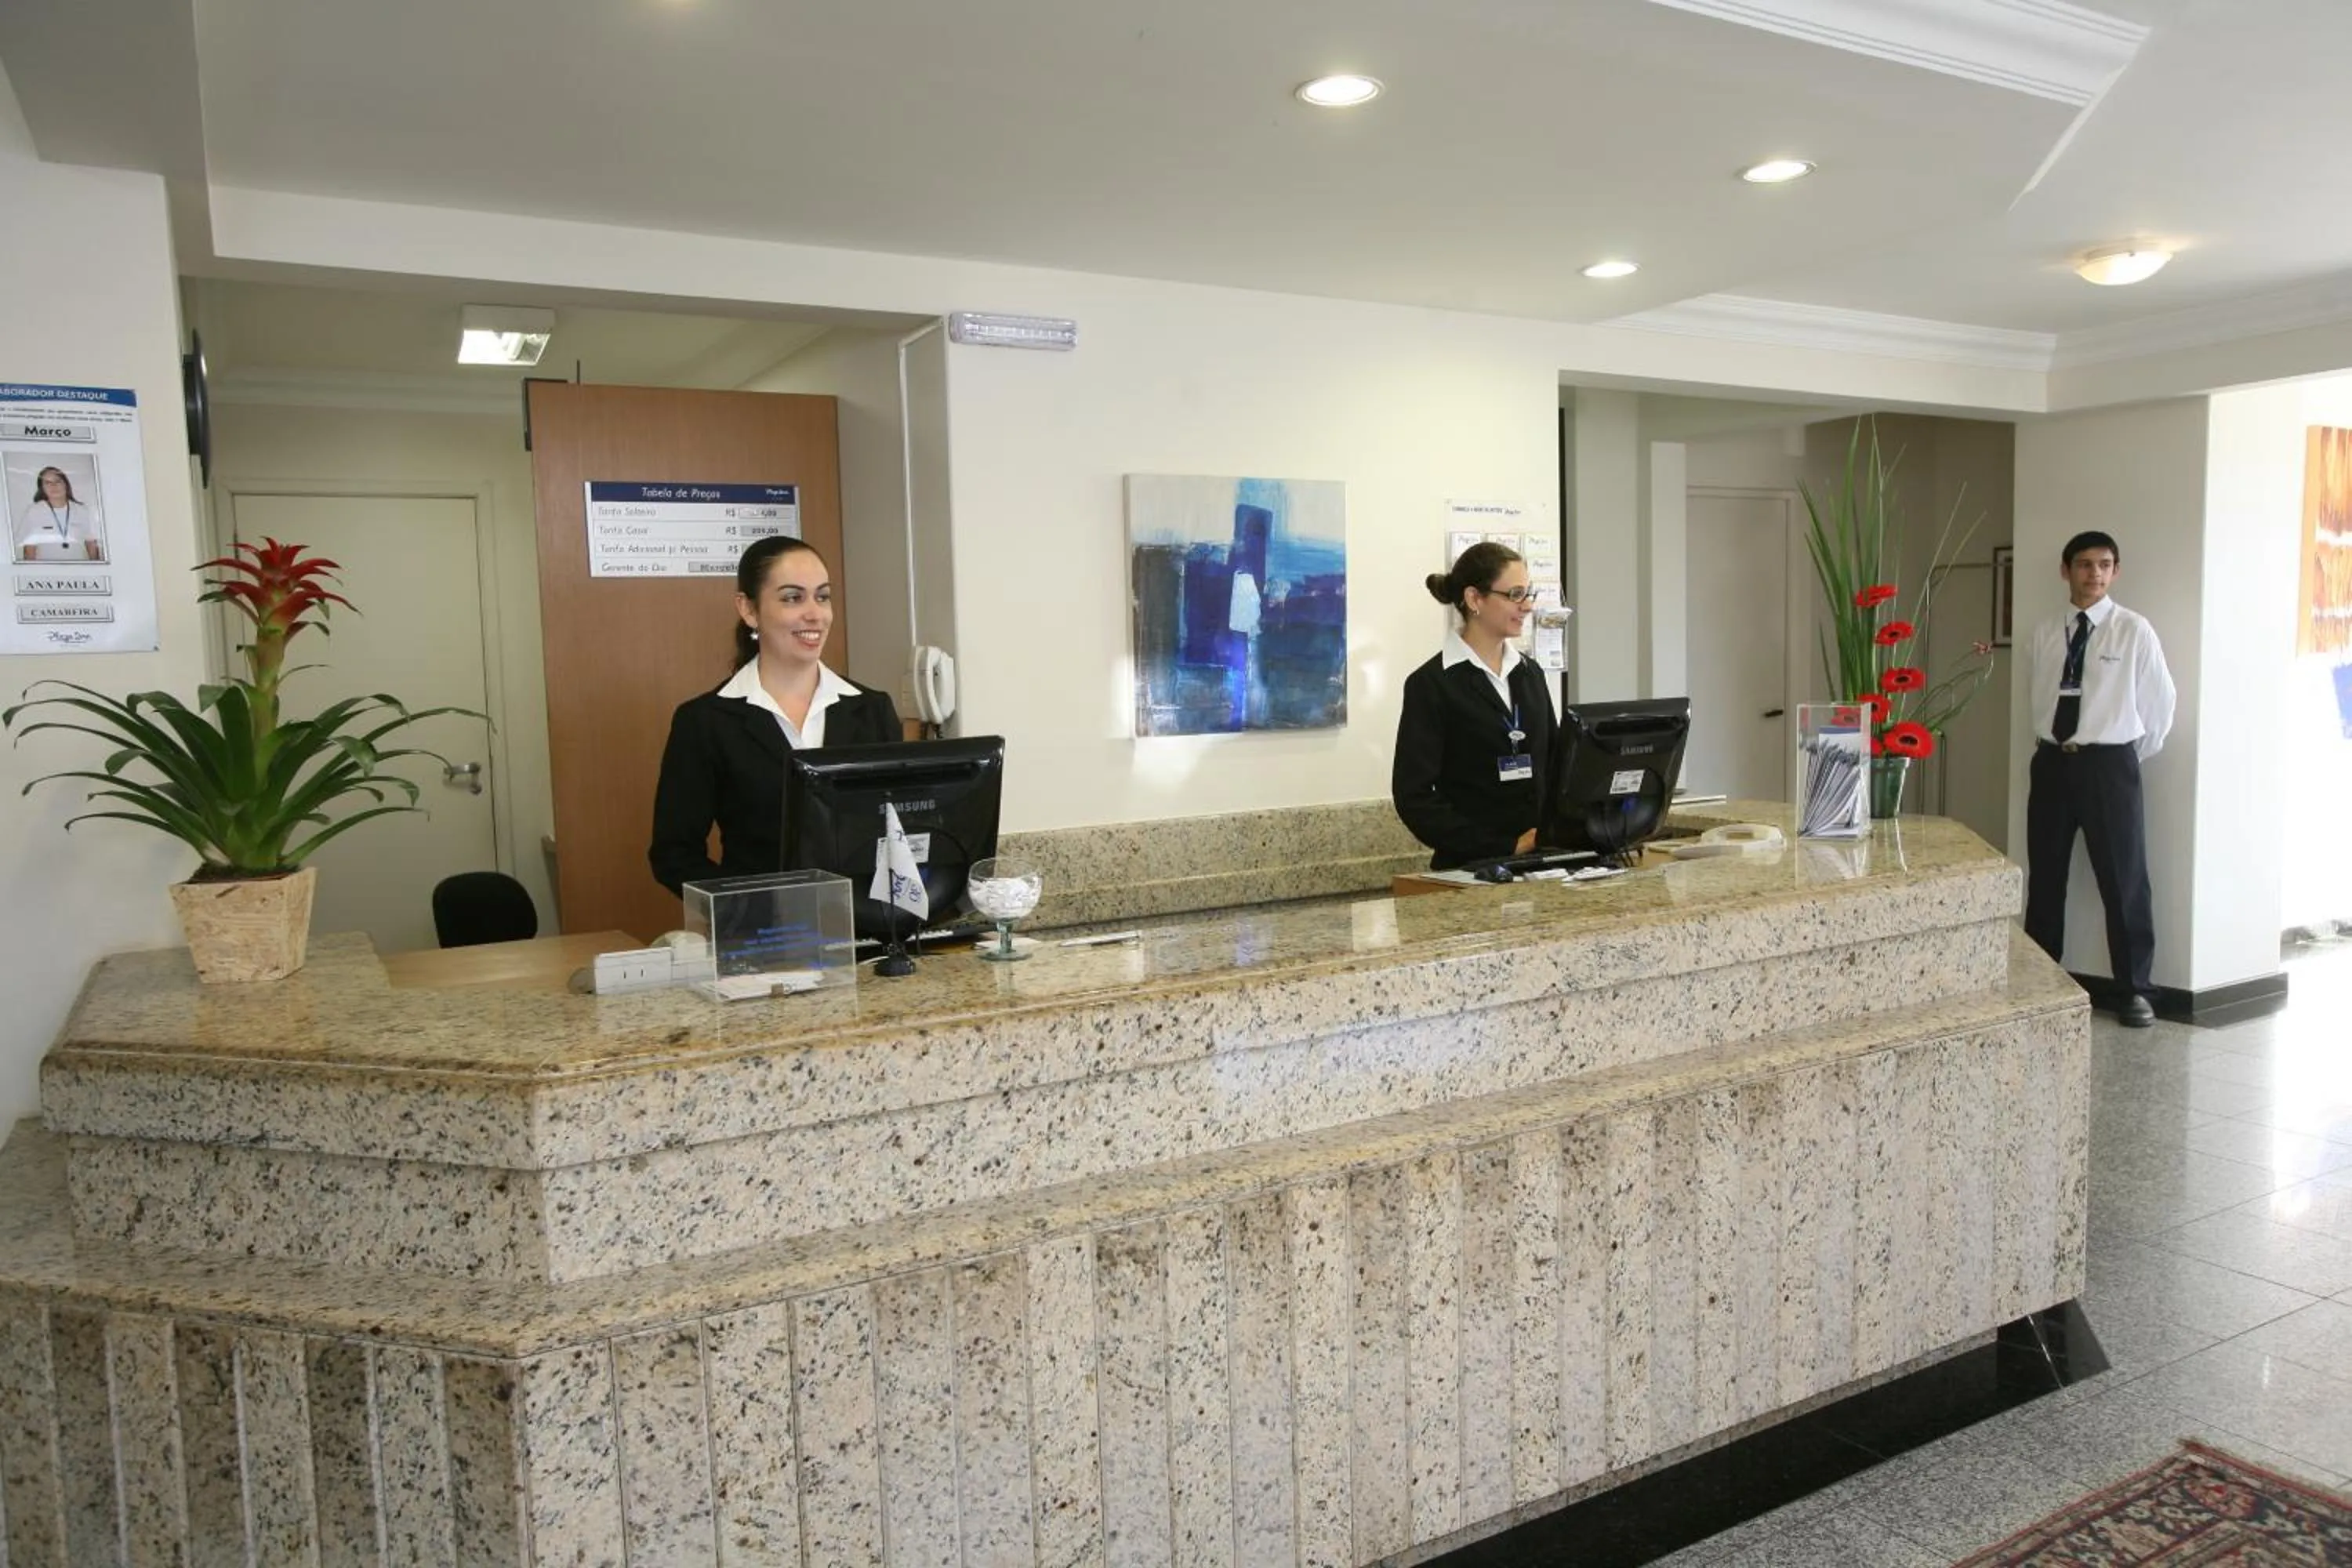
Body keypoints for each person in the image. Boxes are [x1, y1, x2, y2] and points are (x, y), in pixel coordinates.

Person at [648, 535, 902, 895]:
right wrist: (748, 909)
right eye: (792, 598)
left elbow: (900, 833)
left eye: (823, 596)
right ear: (749, 610)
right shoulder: (705, 721)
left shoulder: (872, 709)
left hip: (867, 932)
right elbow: (674, 855)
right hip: (762, 938)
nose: (815, 613)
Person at [2024, 529, 2176, 1028]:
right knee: (2046, 877)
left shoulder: (2134, 631)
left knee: (2124, 878)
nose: (2095, 574)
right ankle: (2042, 984)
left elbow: (2159, 707)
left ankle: (2134, 990)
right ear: (2065, 571)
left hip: (2109, 766)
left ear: (2115, 572)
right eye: (2085, 565)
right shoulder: (2047, 631)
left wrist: (2119, 757)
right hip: (2051, 763)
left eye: (2105, 565)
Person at [1392, 541, 1558, 869]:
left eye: (1529, 594)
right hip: (1472, 870)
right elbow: (1415, 798)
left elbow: (1555, 765)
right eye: (1514, 595)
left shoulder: (1531, 674)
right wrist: (1506, 845)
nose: (1526, 606)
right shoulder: (1432, 684)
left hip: (1542, 864)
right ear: (1474, 599)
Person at [16, 466, 103, 561]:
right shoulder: (34, 511)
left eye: (58, 481)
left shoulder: (82, 510)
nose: (54, 486)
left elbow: (92, 545)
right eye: (48, 483)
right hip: (45, 571)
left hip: (78, 569)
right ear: (42, 488)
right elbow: (29, 549)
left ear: (65, 484)